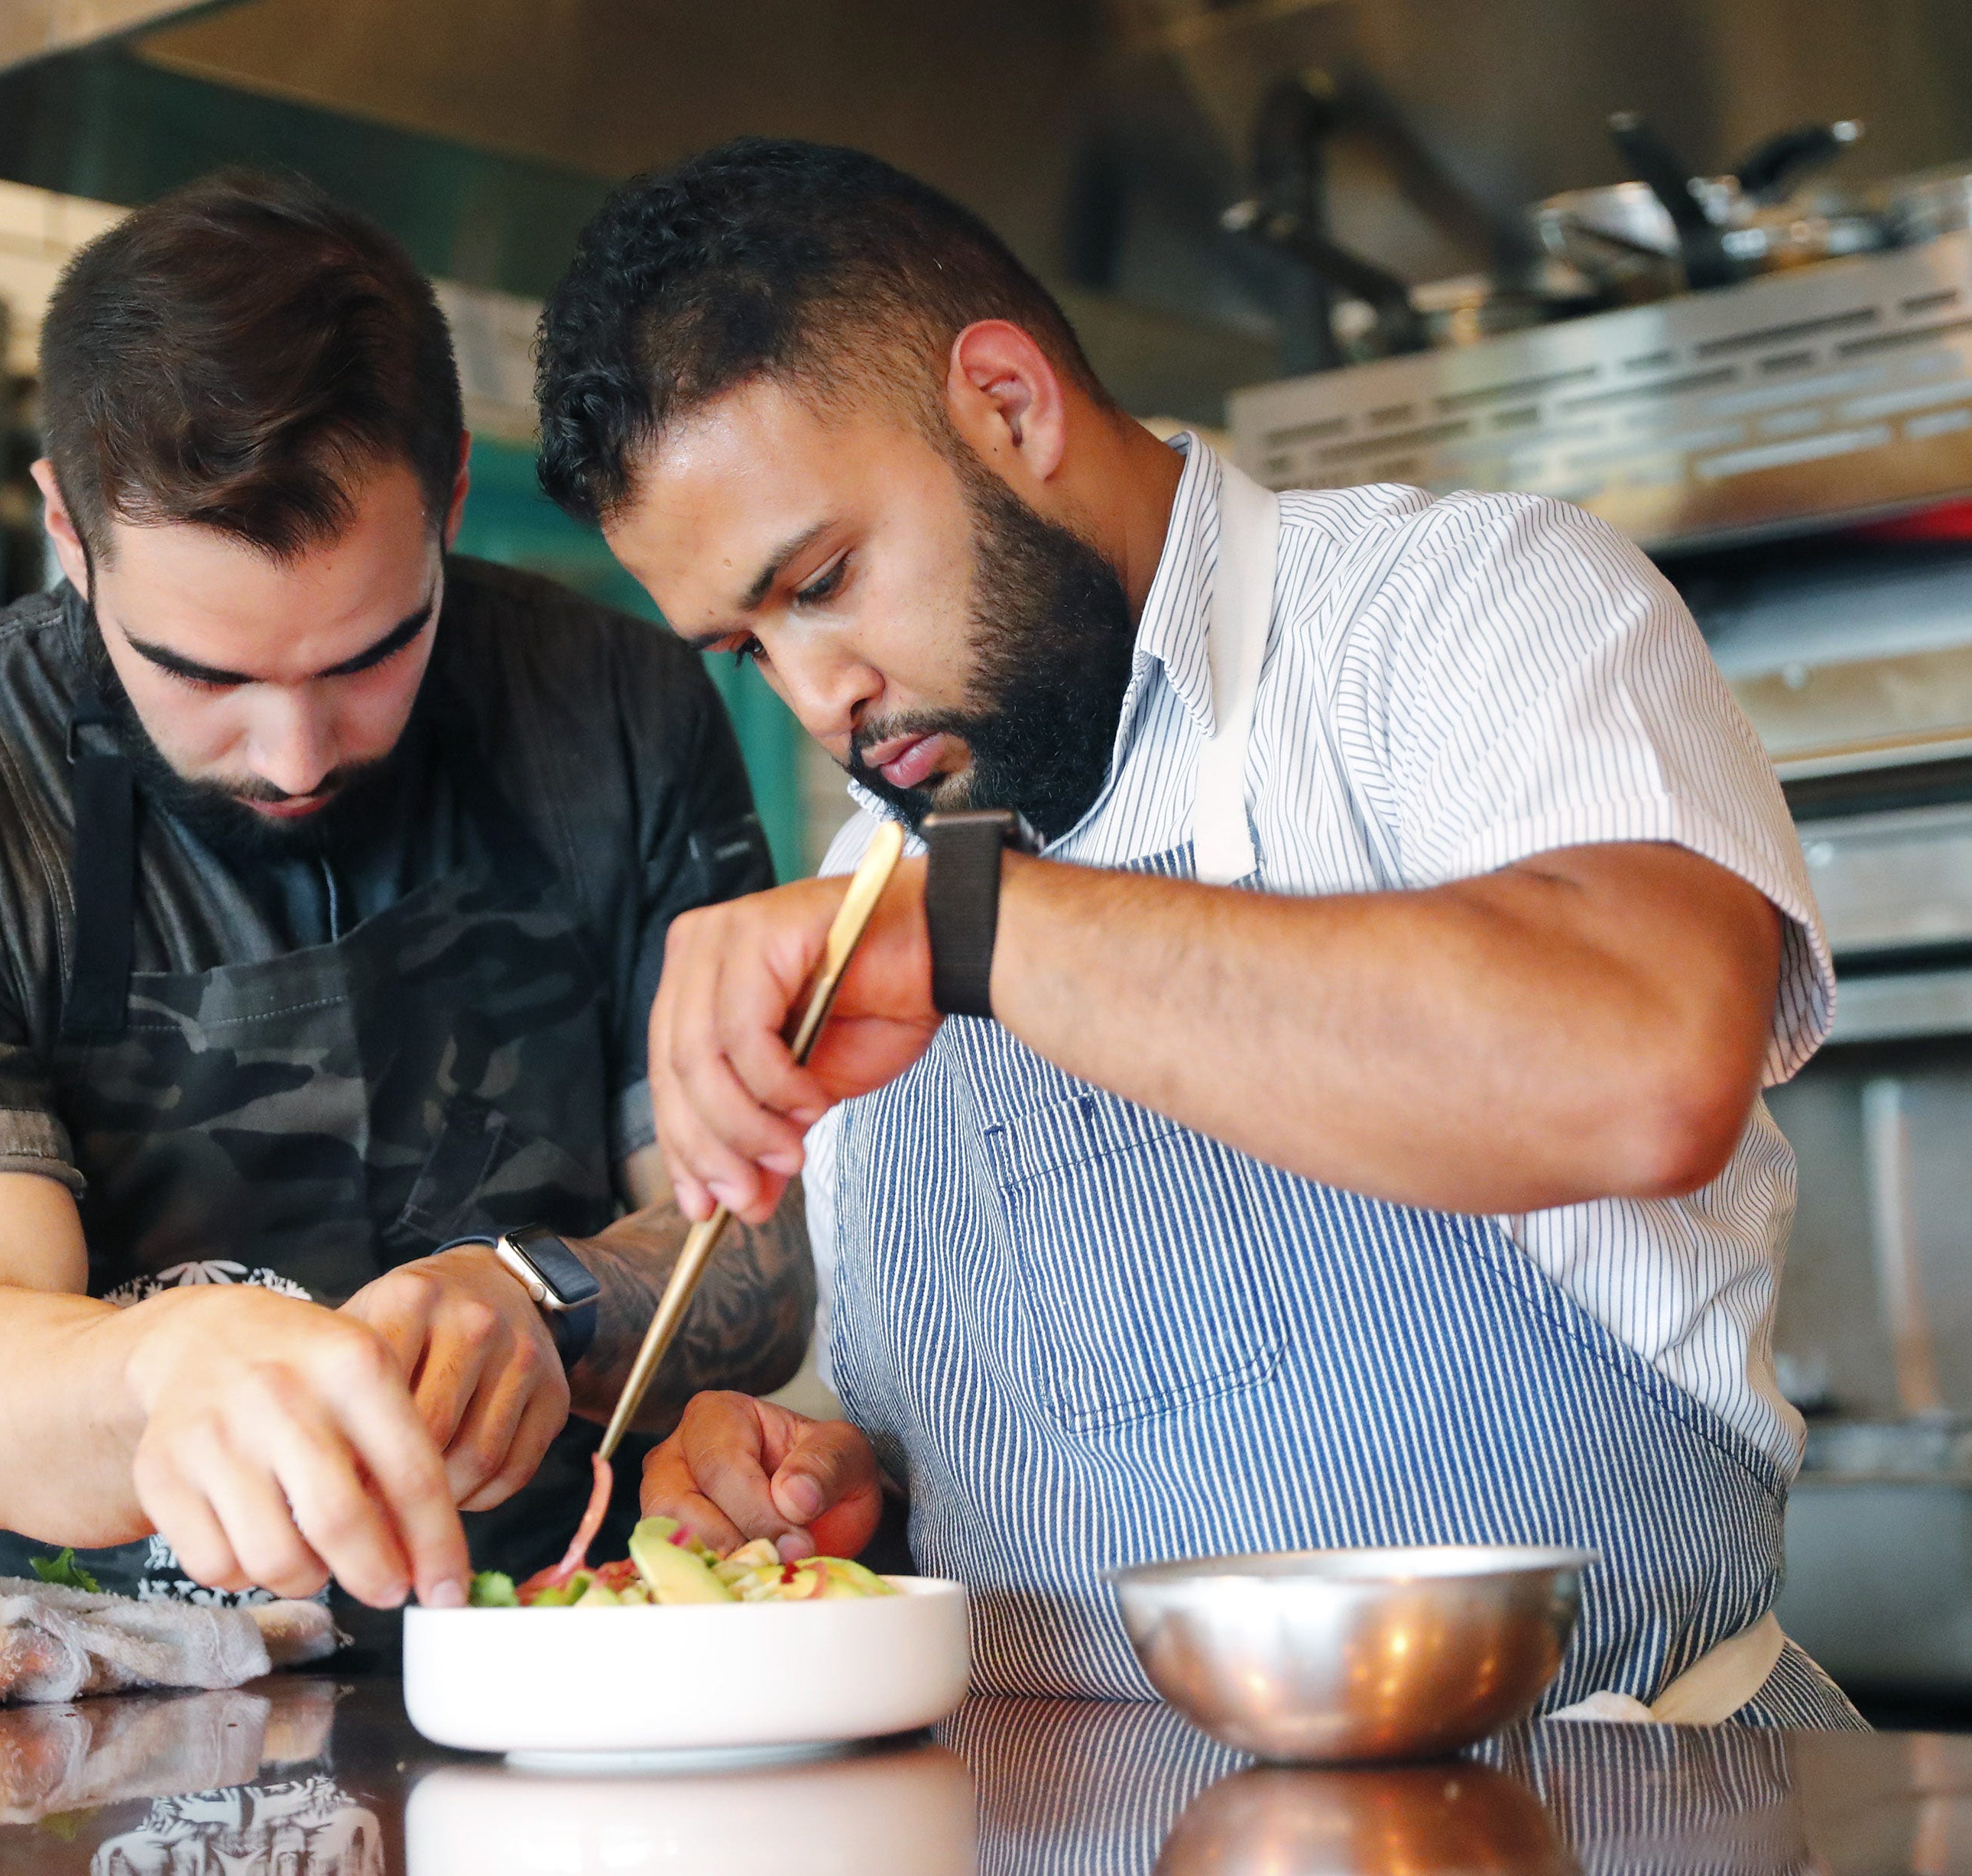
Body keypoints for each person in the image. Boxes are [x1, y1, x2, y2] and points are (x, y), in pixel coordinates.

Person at [530, 138, 1863, 1725]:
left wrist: (973, 927)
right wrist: (826, 1475)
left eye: (821, 581)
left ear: (1008, 405)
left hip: (1593, 1801)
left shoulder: (1458, 612)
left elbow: (1644, 1064)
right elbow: (999, 1456)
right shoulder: (878, 862)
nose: (819, 697)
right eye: (747, 648)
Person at [0, 171, 812, 1625]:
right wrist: (169, 1364)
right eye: (203, 673)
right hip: (119, 1700)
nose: (296, 754)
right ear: (67, 530)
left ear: (450, 504)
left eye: (370, 653)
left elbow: (762, 1251)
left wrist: (547, 1298)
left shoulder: (617, 712)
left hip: (572, 1647)